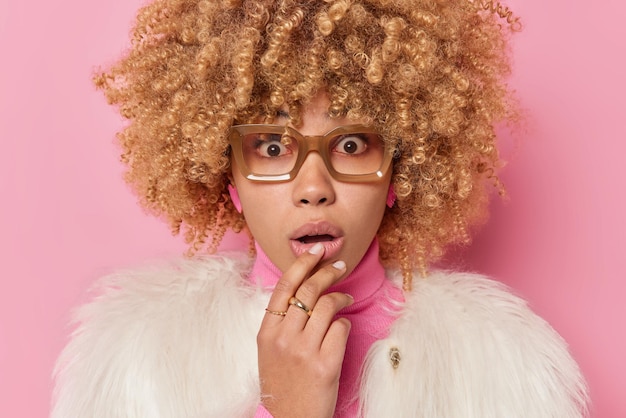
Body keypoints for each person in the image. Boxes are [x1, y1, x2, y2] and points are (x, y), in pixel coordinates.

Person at [52, 0, 589, 416]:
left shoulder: (500, 364)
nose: (314, 187)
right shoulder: (139, 358)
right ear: (229, 182)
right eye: (271, 146)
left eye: (352, 145)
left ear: (398, 175)